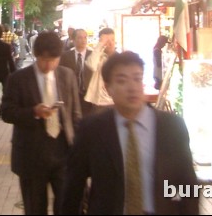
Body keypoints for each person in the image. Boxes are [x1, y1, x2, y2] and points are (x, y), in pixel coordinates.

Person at [61, 51, 199, 215]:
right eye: (121, 81)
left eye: (137, 78)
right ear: (108, 88)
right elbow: (73, 187)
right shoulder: (92, 130)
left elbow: (188, 184)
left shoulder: (171, 127)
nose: (132, 87)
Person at [1, 31, 81, 215]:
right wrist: (33, 112)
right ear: (36, 56)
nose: (49, 65)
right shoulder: (18, 79)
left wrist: (79, 147)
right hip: (32, 154)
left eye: (54, 59)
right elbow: (7, 112)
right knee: (35, 208)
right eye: (44, 60)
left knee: (67, 206)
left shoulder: (67, 76)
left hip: (63, 152)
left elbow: (75, 115)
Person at [59, 28, 94, 117]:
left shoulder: (93, 56)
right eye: (80, 38)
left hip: (89, 95)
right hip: (71, 94)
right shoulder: (65, 56)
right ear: (73, 40)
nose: (83, 40)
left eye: (85, 38)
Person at [84, 27, 118, 110]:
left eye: (112, 40)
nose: (110, 43)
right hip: (99, 102)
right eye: (107, 41)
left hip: (115, 101)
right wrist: (100, 45)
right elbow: (91, 65)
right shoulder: (98, 56)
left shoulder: (120, 58)